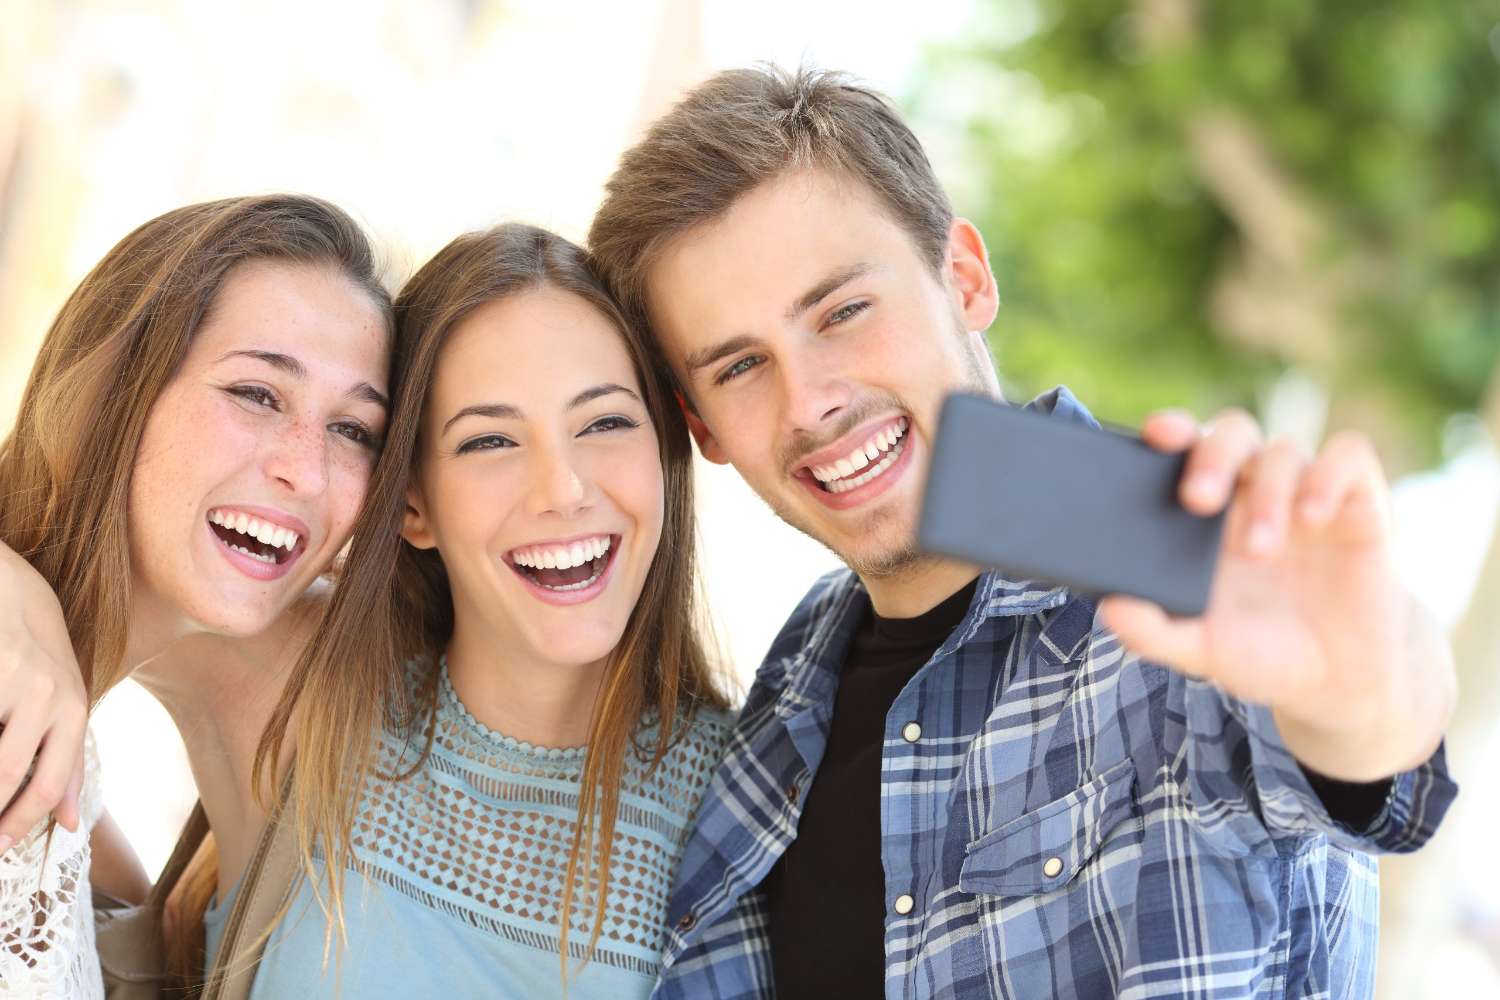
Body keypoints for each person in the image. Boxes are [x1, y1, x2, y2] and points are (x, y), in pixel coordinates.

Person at [586, 66, 1459, 998]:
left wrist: (1360, 677)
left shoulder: (1184, 594)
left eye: (843, 312)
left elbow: (1376, 742)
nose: (810, 402)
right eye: (741, 366)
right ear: (704, 429)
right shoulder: (791, 684)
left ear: (963, 281)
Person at [205, 224, 733, 997]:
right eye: (489, 441)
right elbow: (87, 569)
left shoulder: (744, 799)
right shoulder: (302, 688)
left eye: (606, 423)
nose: (564, 490)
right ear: (413, 502)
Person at [0, 194, 392, 998]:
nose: (307, 470)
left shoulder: (73, 787)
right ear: (115, 382)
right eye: (256, 393)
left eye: (353, 430)